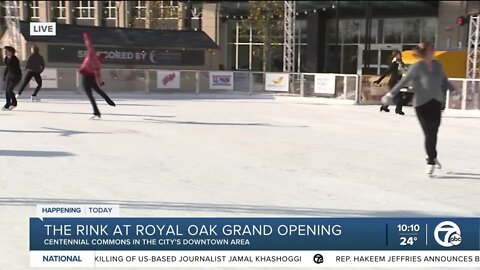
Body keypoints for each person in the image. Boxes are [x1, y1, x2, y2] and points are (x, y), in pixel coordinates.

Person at [381, 42, 456, 175]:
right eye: (431, 49)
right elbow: (404, 81)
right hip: (421, 104)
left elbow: (444, 80)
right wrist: (390, 94)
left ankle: (431, 154)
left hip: (435, 103)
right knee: (429, 133)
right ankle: (431, 161)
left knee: (433, 132)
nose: (433, 51)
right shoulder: (417, 67)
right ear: (425, 52)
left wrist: (455, 91)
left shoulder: (437, 65)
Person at [78, 32, 115, 119]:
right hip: (92, 77)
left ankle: (96, 111)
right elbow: (98, 75)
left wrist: (85, 35)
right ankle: (109, 100)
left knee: (90, 95)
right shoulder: (98, 64)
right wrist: (101, 82)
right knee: (98, 90)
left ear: (97, 55)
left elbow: (88, 44)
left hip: (86, 76)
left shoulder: (91, 55)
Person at [375, 50, 408, 115]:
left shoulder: (401, 63)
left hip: (398, 82)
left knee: (393, 96)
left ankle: (384, 107)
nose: (400, 55)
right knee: (399, 97)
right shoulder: (394, 64)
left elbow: (405, 72)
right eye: (398, 54)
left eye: (400, 54)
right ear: (395, 56)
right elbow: (387, 72)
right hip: (393, 82)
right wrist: (379, 80)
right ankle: (398, 110)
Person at [2, 46, 22, 111]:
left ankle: (13, 103)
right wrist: (5, 75)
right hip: (9, 76)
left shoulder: (14, 59)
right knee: (7, 91)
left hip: (16, 76)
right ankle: (8, 103)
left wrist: (12, 77)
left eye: (6, 51)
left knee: (9, 90)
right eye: (4, 51)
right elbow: (7, 68)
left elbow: (15, 69)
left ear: (10, 52)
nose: (4, 52)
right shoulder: (6, 59)